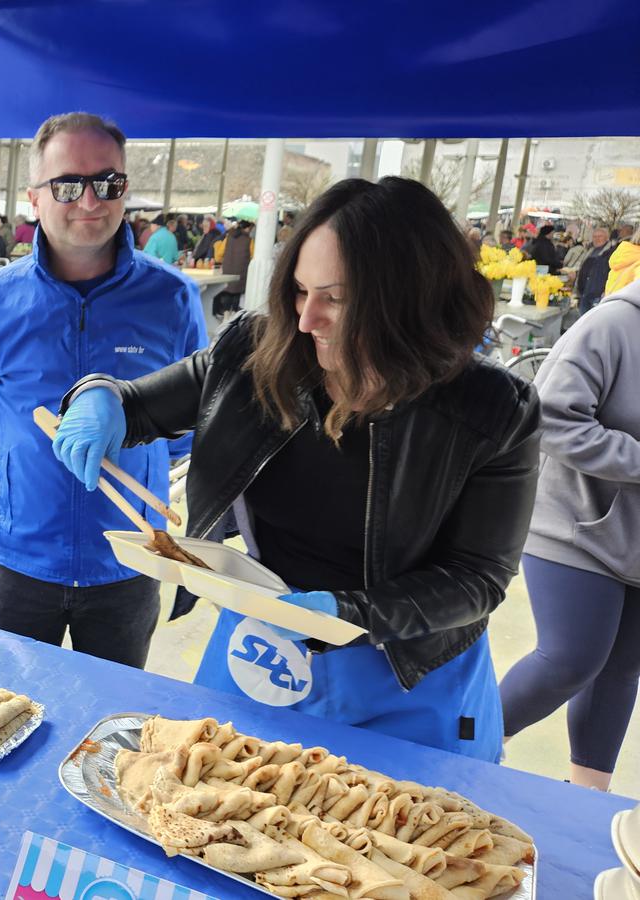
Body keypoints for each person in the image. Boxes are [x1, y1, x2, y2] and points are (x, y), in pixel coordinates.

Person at [52, 176, 539, 759]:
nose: (308, 320)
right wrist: (99, 395)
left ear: (410, 301)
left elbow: (477, 576)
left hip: (408, 666)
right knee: (210, 792)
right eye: (300, 292)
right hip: (266, 632)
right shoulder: (258, 352)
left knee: (392, 815)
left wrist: (346, 612)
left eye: (335, 298)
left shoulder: (492, 410)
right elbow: (138, 404)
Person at [0, 111, 206, 668]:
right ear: (34, 198)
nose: (90, 201)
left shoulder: (171, 299)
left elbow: (188, 422)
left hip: (129, 562)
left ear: (125, 190)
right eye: (67, 184)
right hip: (20, 559)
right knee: (12, 707)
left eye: (107, 182)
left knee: (112, 713)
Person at [498, 275, 640, 791]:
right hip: (572, 525)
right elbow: (550, 416)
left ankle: (587, 800)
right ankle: (461, 745)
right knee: (570, 659)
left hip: (635, 542)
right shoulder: (612, 325)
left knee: (622, 669)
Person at [212, 219, 252, 318]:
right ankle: (233, 314)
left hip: (227, 269)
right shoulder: (249, 240)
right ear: (247, 228)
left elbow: (219, 254)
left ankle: (226, 315)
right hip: (241, 270)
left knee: (228, 291)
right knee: (236, 292)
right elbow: (253, 256)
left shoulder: (228, 237)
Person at [574, 226, 618, 313]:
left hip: (597, 296)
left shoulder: (611, 252)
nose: (597, 239)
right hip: (584, 293)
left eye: (600, 236)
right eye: (594, 236)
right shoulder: (589, 251)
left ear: (607, 238)